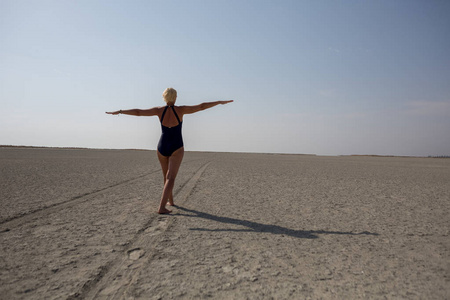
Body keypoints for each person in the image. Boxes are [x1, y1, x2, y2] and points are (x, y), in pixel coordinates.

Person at [106, 87, 233, 214]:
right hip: (176, 146)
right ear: (175, 97)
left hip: (162, 146)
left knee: (166, 176)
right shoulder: (181, 110)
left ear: (164, 97)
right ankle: (161, 207)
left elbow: (139, 112)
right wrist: (219, 102)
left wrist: (121, 111)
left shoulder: (159, 110)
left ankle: (170, 202)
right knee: (171, 177)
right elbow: (201, 106)